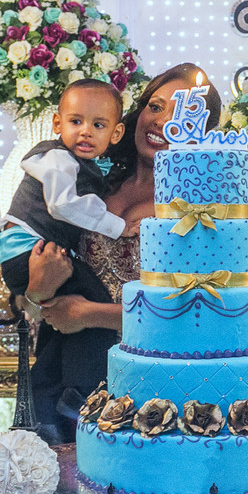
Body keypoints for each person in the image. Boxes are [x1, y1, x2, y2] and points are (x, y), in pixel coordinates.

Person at [23, 64, 223, 443]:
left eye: (181, 114)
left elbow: (196, 312)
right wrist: (37, 290)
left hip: (153, 382)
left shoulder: (198, 208)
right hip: (70, 371)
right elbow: (35, 296)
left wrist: (87, 314)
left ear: (200, 130)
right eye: (156, 106)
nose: (162, 121)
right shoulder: (90, 183)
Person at [0, 79, 133, 308]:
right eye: (76, 121)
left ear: (115, 133)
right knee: (94, 297)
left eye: (98, 125)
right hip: (26, 254)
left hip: (28, 252)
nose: (86, 131)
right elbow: (62, 205)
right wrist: (118, 226)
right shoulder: (57, 158)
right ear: (58, 123)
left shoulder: (83, 163)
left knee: (77, 301)